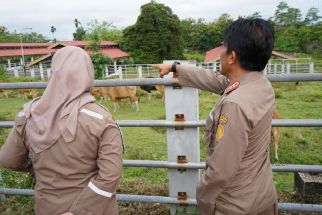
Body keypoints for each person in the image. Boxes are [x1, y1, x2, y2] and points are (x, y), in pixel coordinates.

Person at [153, 18, 278, 215]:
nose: (220, 52)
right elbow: (218, 80)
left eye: (224, 47)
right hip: (262, 195)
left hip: (235, 205)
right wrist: (176, 67)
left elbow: (220, 171)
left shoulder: (234, 105)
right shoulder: (261, 86)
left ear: (232, 57)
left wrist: (203, 197)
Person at [0, 46, 124, 215]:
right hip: (93, 209)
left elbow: (8, 160)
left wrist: (40, 164)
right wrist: (78, 211)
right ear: (88, 73)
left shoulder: (27, 115)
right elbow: (110, 176)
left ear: (54, 71)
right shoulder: (101, 120)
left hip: (47, 207)